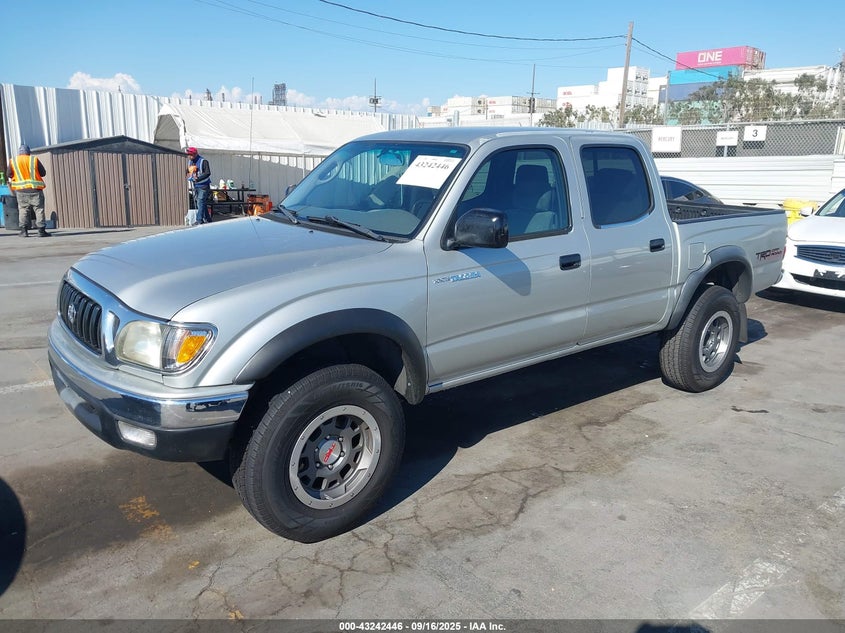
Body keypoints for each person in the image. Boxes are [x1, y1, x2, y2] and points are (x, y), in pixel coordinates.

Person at [8, 144, 50, 237]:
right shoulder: (34, 159)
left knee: (23, 210)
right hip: (35, 189)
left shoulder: (13, 161)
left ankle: (24, 231)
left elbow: (9, 174)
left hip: (21, 190)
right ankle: (41, 231)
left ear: (19, 153)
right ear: (29, 152)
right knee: (39, 209)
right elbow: (43, 173)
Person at [186, 147, 212, 223]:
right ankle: (208, 219)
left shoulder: (203, 161)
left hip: (204, 185)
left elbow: (208, 173)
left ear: (195, 154)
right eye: (188, 155)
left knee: (200, 201)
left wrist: (198, 179)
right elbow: (188, 171)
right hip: (196, 185)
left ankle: (199, 220)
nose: (189, 156)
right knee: (202, 202)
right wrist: (188, 174)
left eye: (191, 155)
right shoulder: (190, 162)